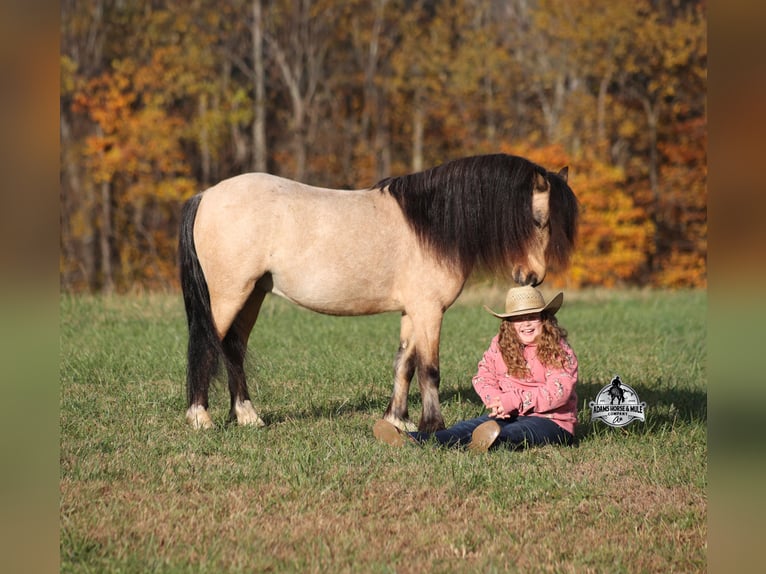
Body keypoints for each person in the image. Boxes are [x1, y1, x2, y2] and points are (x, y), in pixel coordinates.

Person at [373, 285, 578, 452]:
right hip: (507, 412)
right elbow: (483, 377)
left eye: (532, 317)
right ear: (509, 323)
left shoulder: (558, 350)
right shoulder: (500, 345)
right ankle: (413, 439)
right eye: (518, 318)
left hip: (551, 421)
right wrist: (495, 400)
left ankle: (485, 444)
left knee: (516, 433)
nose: (525, 323)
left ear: (544, 320)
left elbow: (558, 391)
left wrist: (513, 401)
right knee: (466, 428)